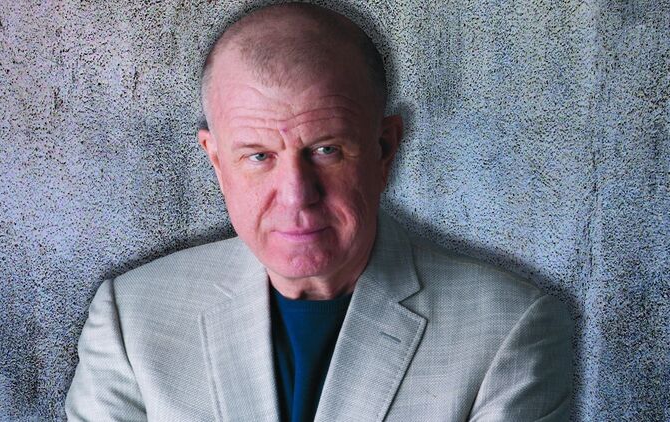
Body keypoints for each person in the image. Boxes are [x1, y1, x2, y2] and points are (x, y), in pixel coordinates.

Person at [65, 3, 573, 421]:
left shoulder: (509, 331)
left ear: (384, 149)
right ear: (216, 162)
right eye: (258, 156)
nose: (296, 195)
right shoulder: (130, 320)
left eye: (326, 150)